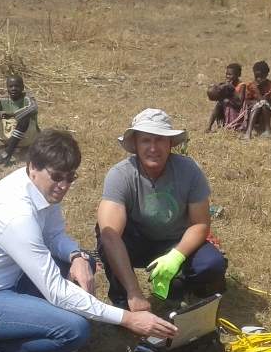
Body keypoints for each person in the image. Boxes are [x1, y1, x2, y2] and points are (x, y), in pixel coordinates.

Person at [0, 130, 177, 352]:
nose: (63, 186)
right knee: (74, 332)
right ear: (33, 168)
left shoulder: (39, 188)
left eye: (70, 177)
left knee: (83, 260)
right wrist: (129, 319)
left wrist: (76, 256)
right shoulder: (15, 215)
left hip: (9, 280)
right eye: (56, 177)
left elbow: (53, 234)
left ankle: (19, 329)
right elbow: (55, 291)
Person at [96, 109, 228, 312]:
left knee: (213, 264)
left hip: (175, 241)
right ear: (135, 144)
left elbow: (201, 223)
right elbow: (111, 237)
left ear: (170, 144)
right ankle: (123, 299)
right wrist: (134, 292)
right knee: (106, 232)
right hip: (137, 242)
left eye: (160, 140)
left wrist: (176, 256)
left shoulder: (189, 170)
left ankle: (176, 288)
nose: (153, 148)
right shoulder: (120, 175)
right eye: (145, 141)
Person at [0, 74, 40, 167]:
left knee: (25, 117)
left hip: (27, 136)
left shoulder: (27, 98)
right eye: (11, 86)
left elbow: (34, 107)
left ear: (23, 87)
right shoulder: (3, 99)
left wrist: (12, 114)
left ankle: (8, 153)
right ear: (7, 88)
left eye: (17, 86)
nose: (13, 89)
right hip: (8, 136)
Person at [204, 63, 247, 133]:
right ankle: (209, 127)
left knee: (223, 103)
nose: (227, 76)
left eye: (230, 74)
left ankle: (231, 126)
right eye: (226, 74)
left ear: (238, 75)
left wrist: (231, 93)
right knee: (219, 104)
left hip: (238, 110)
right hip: (226, 108)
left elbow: (240, 103)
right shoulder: (225, 85)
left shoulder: (241, 85)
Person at [243, 61, 271, 140]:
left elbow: (264, 101)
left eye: (261, 76)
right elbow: (247, 101)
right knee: (257, 106)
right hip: (252, 109)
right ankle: (249, 131)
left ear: (266, 75)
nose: (258, 79)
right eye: (256, 76)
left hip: (267, 110)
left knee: (263, 104)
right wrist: (256, 103)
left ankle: (268, 129)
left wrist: (257, 90)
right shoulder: (251, 84)